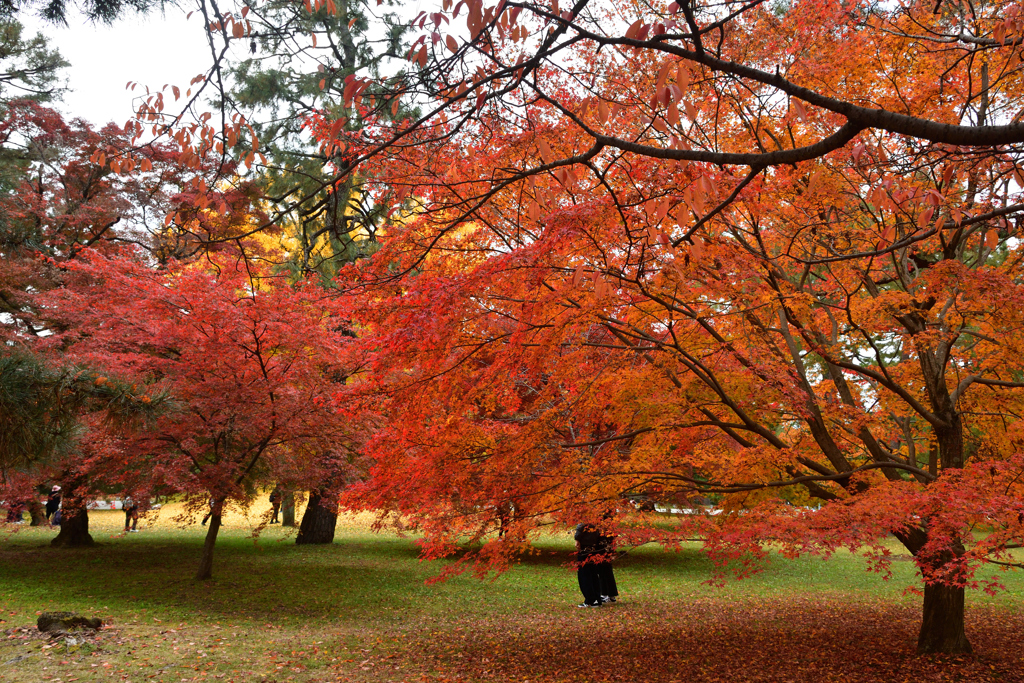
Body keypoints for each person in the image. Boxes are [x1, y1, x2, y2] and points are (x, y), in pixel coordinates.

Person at [574, 522, 603, 608]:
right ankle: (597, 599)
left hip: (585, 548)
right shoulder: (598, 519)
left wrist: (577, 538)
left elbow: (581, 525)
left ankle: (591, 600)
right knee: (593, 574)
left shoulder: (585, 518)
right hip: (595, 548)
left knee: (585, 575)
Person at [596, 526, 619, 603]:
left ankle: (608, 594)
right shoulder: (607, 529)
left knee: (605, 572)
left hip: (604, 551)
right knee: (605, 572)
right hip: (605, 551)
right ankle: (609, 594)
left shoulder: (605, 530)